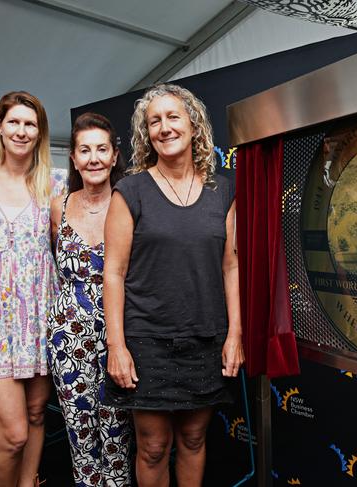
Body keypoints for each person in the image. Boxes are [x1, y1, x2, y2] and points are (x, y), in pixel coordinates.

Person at [103, 83, 244, 487]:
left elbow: (231, 265)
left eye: (173, 117)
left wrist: (235, 333)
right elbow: (112, 273)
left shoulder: (223, 190)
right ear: (146, 134)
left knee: (195, 437)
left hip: (206, 337)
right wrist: (117, 346)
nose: (164, 128)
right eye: (154, 122)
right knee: (152, 446)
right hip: (147, 339)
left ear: (194, 125)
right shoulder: (130, 191)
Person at [0, 91, 65, 487]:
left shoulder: (56, 184)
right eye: (14, 122)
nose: (21, 131)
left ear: (39, 133)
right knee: (13, 432)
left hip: (41, 314)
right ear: (0, 128)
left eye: (30, 124)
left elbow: (66, 248)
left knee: (38, 414)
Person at [48, 112, 132, 486]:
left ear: (115, 156)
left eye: (102, 149)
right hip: (68, 338)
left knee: (118, 431)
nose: (94, 158)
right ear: (73, 157)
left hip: (120, 334)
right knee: (79, 431)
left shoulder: (131, 202)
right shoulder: (58, 207)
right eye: (85, 150)